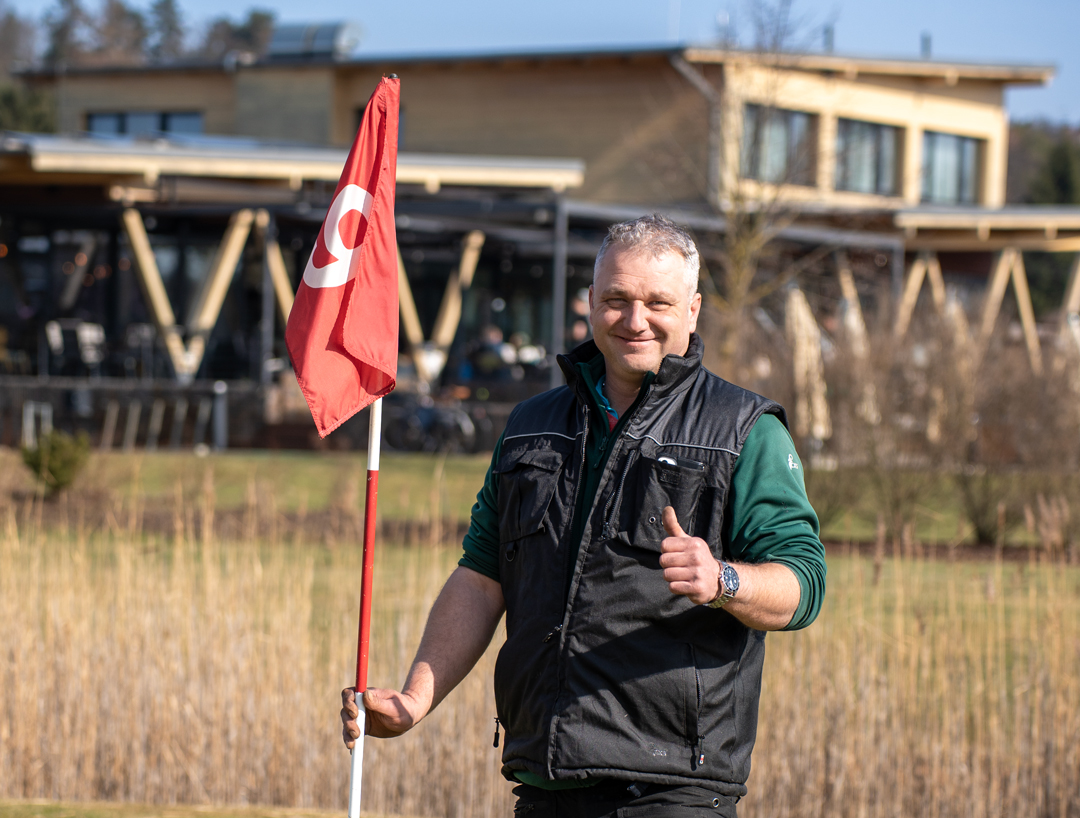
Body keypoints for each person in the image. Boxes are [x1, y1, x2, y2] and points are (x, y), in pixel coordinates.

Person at [341, 214, 826, 817]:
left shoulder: (744, 431)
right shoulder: (531, 426)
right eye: (617, 299)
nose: (635, 319)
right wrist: (414, 700)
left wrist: (723, 580)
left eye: (658, 302)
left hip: (673, 794)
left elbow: (804, 583)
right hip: (544, 787)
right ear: (591, 302)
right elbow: (482, 577)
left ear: (694, 310)